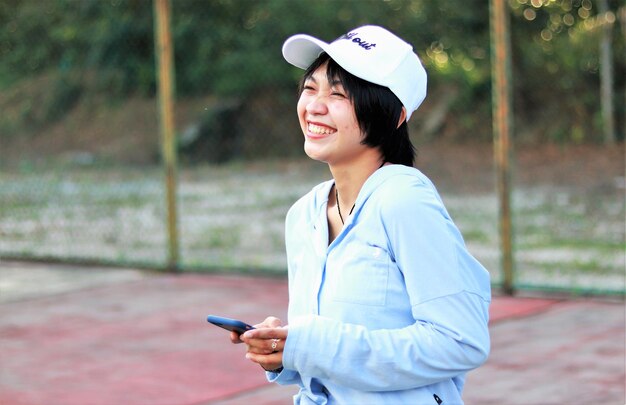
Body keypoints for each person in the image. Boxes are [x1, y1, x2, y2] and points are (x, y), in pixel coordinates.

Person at [232, 25, 491, 404]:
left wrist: (313, 344)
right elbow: (329, 359)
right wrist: (285, 351)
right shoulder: (304, 215)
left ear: (395, 115)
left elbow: (460, 341)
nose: (315, 106)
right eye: (310, 88)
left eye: (338, 94)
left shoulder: (404, 201)